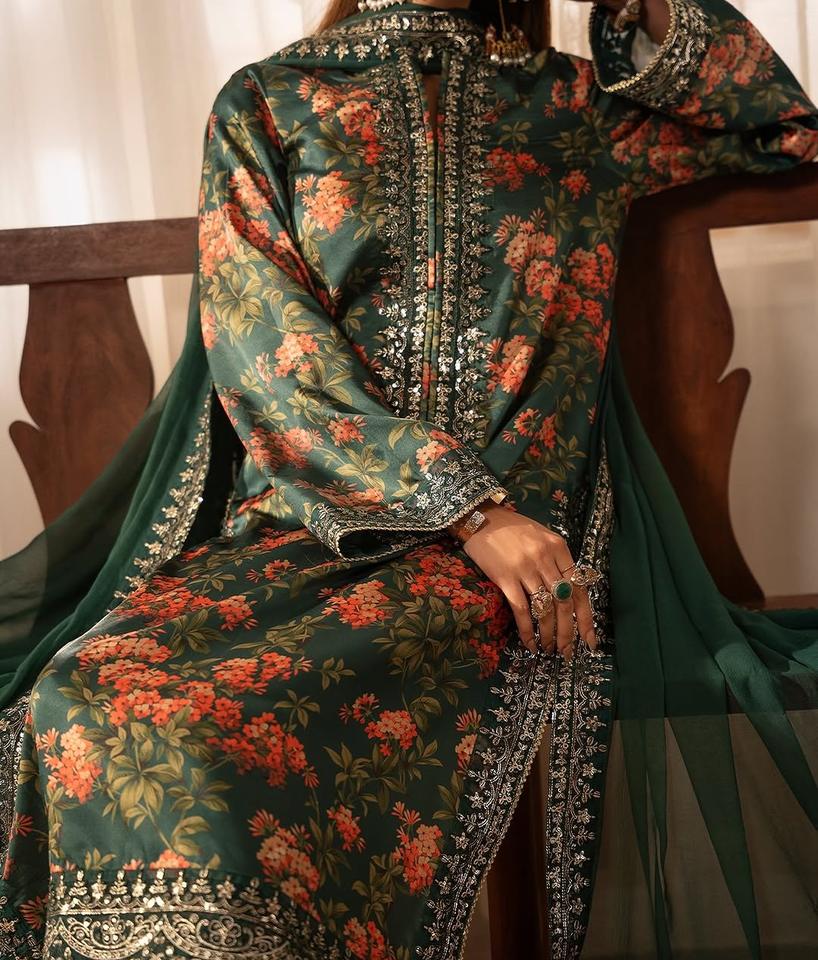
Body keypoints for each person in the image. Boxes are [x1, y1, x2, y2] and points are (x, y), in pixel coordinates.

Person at [0, 0, 816, 956]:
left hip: (512, 559)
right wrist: (464, 506)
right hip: (311, 525)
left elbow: (780, 126)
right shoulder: (270, 102)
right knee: (83, 691)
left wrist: (643, 5)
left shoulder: (573, 106)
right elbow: (266, 350)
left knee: (199, 724)